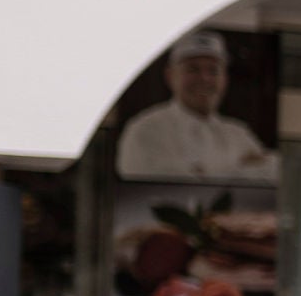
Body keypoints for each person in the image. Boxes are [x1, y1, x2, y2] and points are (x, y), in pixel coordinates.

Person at [115, 31, 277, 182]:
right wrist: (239, 168)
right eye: (193, 69)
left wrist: (202, 172)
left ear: (225, 79)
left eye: (213, 71)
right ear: (170, 76)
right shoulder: (146, 129)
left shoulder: (238, 134)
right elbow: (156, 187)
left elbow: (274, 173)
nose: (205, 79)